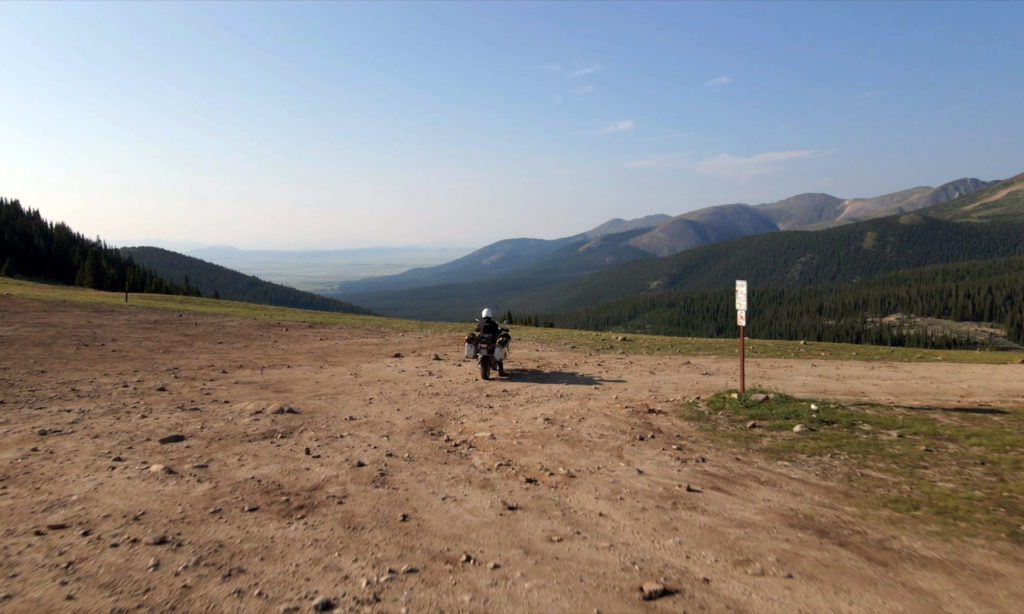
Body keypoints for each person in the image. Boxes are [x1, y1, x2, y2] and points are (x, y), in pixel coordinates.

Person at [476, 308, 506, 376]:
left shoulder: (480, 323)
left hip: (482, 343)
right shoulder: (493, 323)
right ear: (490, 314)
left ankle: (480, 363)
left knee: (478, 352)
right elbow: (497, 331)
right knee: (498, 354)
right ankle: (501, 371)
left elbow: (476, 329)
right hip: (491, 343)